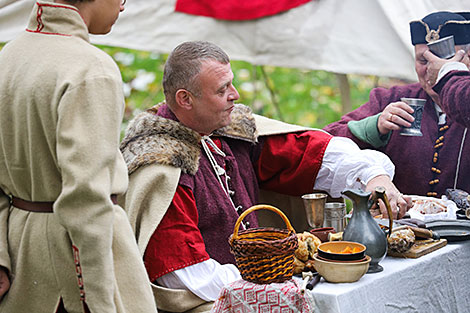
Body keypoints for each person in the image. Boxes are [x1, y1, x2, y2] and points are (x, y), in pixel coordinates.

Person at [119, 40, 408, 312]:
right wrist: (269, 283)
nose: (236, 95)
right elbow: (182, 276)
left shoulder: (228, 132)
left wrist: (371, 175)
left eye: (232, 83)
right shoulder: (162, 166)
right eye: (222, 90)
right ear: (185, 99)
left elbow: (303, 154)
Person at [0, 1, 158, 312]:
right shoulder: (90, 68)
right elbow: (86, 200)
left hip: (20, 262)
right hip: (76, 268)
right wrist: (101, 300)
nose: (123, 6)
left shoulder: (7, 57)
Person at [323, 11, 470, 198]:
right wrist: (374, 128)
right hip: (397, 226)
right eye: (423, 60)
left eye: (443, 59)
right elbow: (326, 143)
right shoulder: (392, 98)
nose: (431, 68)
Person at [423, 49, 470, 128]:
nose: (431, 67)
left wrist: (448, 71)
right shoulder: (397, 94)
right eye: (423, 60)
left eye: (449, 59)